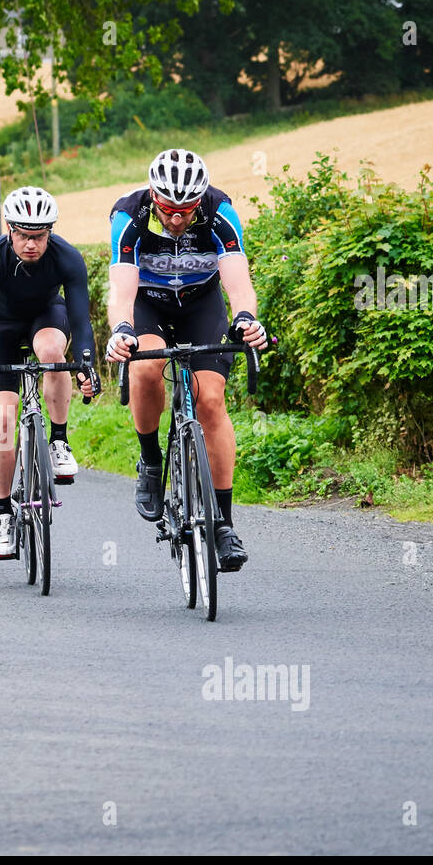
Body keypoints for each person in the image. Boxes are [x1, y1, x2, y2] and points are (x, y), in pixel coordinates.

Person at [103, 149, 268, 571]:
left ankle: (224, 527)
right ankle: (151, 460)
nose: (177, 219)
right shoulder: (128, 214)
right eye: (169, 210)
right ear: (154, 197)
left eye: (186, 210)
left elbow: (238, 281)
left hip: (201, 304)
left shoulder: (219, 209)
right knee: (144, 367)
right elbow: (121, 289)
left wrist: (247, 317)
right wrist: (121, 329)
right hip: (149, 305)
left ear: (200, 199)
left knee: (211, 400)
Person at [0, 186, 97, 559]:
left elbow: (80, 321)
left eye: (39, 236)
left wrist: (86, 361)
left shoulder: (67, 258)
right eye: (23, 235)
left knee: (53, 352)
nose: (30, 244)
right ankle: (3, 514)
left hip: (46, 318)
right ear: (9, 229)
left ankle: (58, 440)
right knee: (4, 421)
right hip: (0, 330)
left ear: (50, 232)